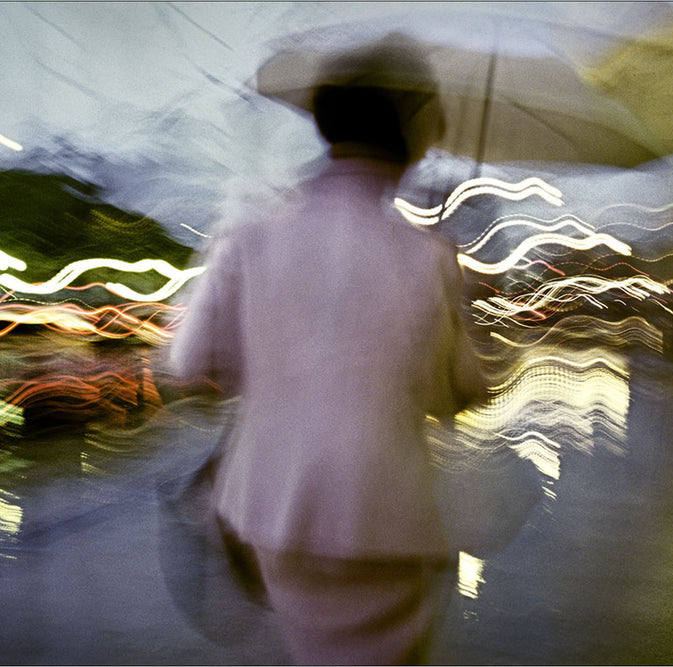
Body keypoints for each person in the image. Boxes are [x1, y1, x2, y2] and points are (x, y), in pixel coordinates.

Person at [169, 35, 487, 665]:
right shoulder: (431, 257)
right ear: (408, 138)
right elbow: (458, 394)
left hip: (270, 513)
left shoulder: (249, 237)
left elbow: (190, 365)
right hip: (386, 517)